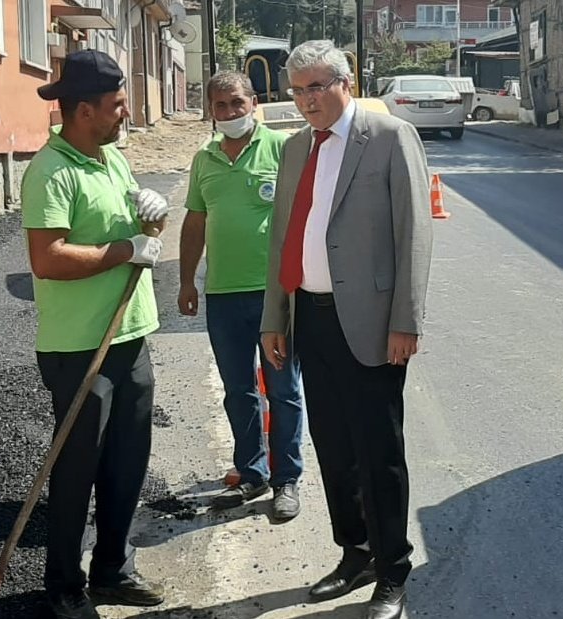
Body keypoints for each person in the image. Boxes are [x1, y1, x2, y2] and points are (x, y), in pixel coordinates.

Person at [260, 40, 433, 619]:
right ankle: (354, 552)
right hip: (309, 317)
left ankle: (392, 570)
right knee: (333, 447)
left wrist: (406, 320)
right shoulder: (294, 149)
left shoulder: (387, 138)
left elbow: (415, 233)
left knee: (378, 450)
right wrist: (274, 317)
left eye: (316, 86)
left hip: (372, 323)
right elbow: (282, 239)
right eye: (298, 89)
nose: (307, 100)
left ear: (345, 82)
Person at [21, 50, 169, 619]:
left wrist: (150, 217)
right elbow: (48, 259)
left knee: (126, 463)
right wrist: (124, 251)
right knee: (77, 467)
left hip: (129, 334)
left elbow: (137, 225)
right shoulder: (51, 171)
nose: (124, 113)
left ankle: (113, 569)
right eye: (116, 105)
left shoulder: (110, 160)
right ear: (83, 110)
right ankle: (62, 583)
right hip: (78, 345)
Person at [178, 72, 305, 521]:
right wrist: (187, 280)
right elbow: (195, 223)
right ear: (210, 111)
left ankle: (286, 478)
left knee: (283, 388)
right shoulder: (204, 158)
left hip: (275, 295)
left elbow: (303, 215)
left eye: (237, 103)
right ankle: (251, 471)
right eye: (220, 106)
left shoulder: (283, 149)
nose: (230, 113)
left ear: (254, 102)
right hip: (224, 295)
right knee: (238, 389)